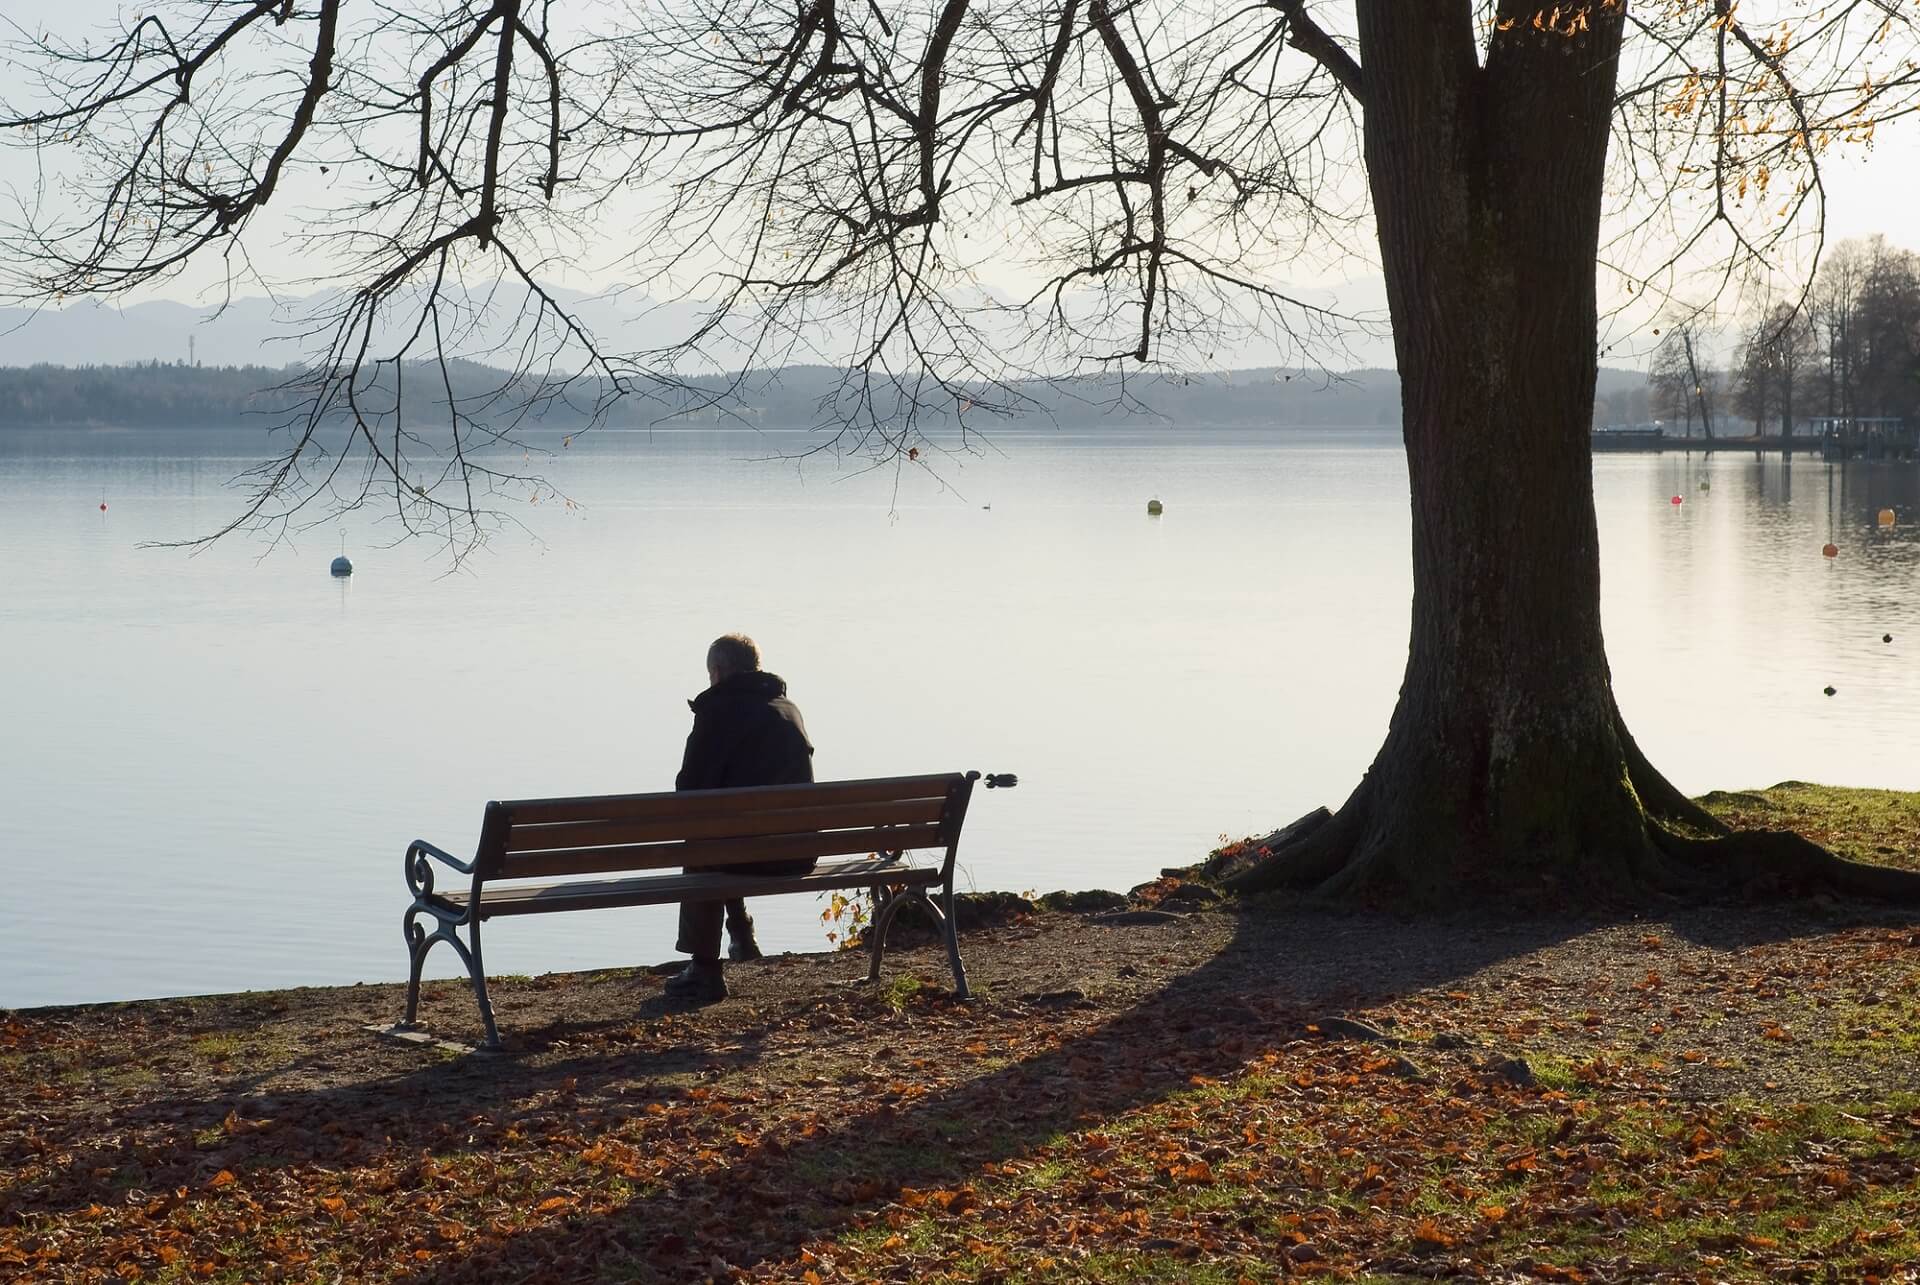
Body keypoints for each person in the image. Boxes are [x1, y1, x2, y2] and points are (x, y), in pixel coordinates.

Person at [666, 633, 816, 1003]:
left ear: (717, 671)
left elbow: (689, 793)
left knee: (703, 844)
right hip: (797, 852)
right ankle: (742, 934)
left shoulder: (717, 712)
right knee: (726, 837)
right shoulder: (788, 709)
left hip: (748, 852)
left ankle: (704, 968)